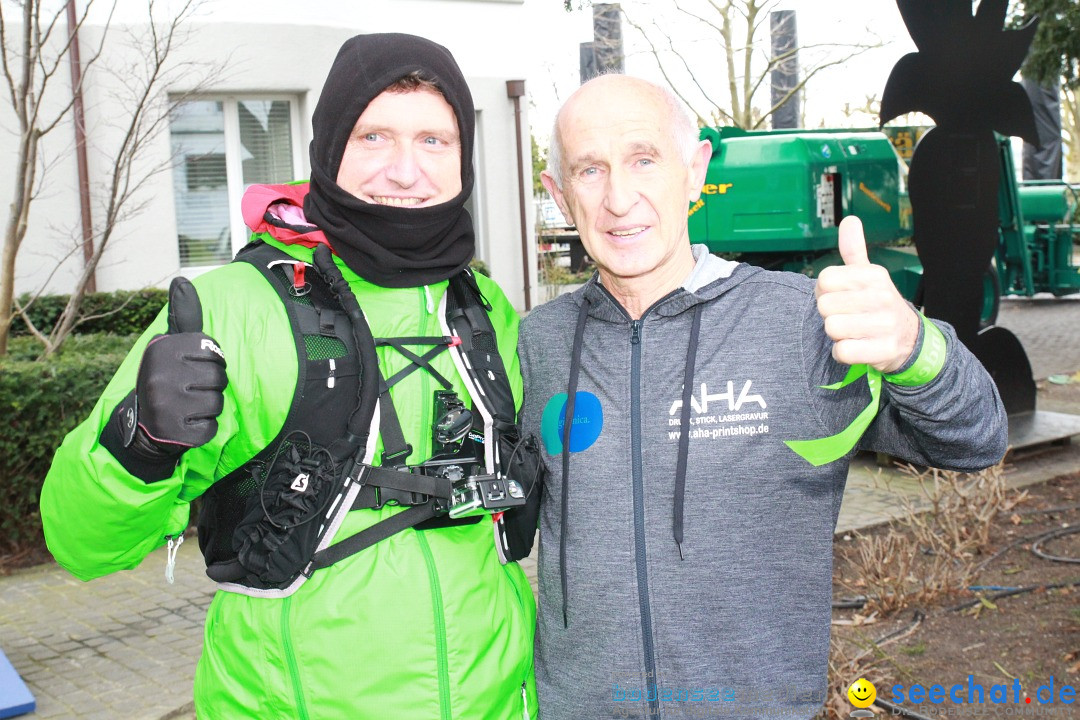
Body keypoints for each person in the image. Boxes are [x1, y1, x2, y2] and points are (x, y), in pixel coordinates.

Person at [40, 33, 538, 720]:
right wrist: (137, 448)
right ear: (330, 147)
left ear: (464, 158)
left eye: (433, 140)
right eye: (372, 137)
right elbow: (82, 547)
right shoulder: (230, 309)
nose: (404, 170)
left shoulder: (485, 309)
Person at [519, 73, 1008, 720]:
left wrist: (916, 349)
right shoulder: (535, 345)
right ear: (558, 193)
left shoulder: (800, 323)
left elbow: (977, 439)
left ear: (695, 172)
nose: (619, 198)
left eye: (644, 160)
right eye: (589, 171)